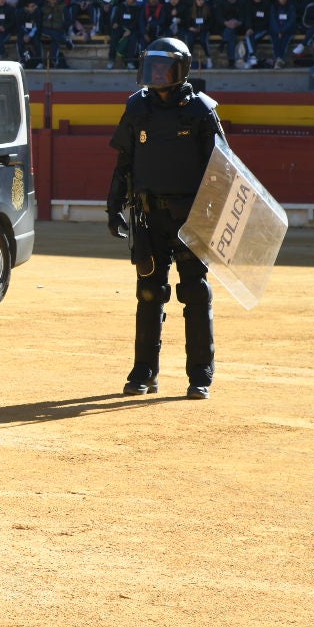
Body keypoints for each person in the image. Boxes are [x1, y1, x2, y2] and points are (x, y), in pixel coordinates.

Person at [105, 37, 224, 400]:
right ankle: (144, 373)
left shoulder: (202, 111)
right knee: (149, 293)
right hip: (148, 216)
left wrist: (215, 219)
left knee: (194, 293)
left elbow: (222, 171)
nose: (156, 74)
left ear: (181, 69)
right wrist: (114, 207)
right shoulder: (136, 107)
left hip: (190, 218)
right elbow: (124, 163)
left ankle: (200, 376)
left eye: (163, 67)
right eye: (151, 67)